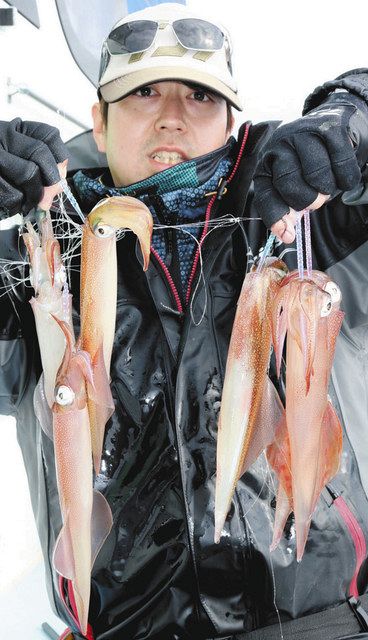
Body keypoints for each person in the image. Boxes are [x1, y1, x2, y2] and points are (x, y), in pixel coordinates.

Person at [1, 3, 368, 639]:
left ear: (232, 120)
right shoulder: (40, 264)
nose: (171, 114)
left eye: (199, 95)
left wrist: (353, 118)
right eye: (143, 92)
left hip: (327, 622)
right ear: (100, 119)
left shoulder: (310, 223)